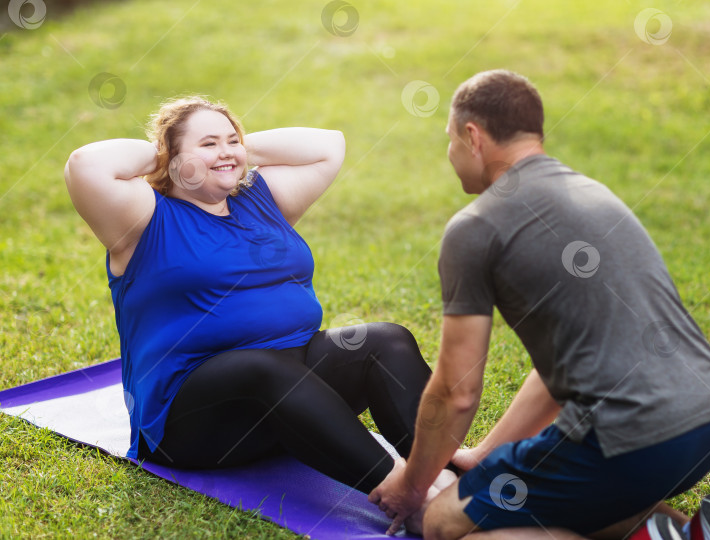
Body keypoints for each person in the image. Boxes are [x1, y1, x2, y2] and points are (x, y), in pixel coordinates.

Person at [369, 70, 710, 540]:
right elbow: (557, 374)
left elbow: (455, 391)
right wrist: (483, 454)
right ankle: (692, 533)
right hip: (705, 422)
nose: (449, 153)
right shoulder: (594, 194)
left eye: (448, 138)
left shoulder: (476, 228)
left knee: (443, 524)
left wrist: (412, 483)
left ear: (473, 137)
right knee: (566, 499)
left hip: (622, 436)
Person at [63, 96, 450, 499]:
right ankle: (405, 493)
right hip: (193, 423)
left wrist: (231, 153)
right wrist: (166, 154)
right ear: (172, 158)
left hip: (291, 397)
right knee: (261, 368)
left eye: (233, 140)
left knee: (386, 339)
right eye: (209, 144)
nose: (226, 151)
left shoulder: (261, 201)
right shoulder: (143, 217)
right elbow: (86, 165)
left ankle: (443, 474)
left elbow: (329, 146)